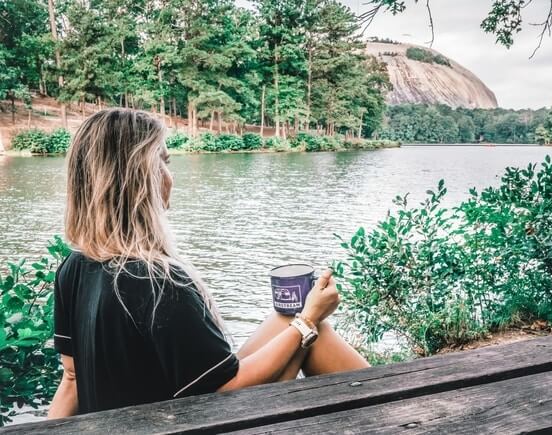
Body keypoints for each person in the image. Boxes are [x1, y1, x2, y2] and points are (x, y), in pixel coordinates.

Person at [47, 109, 369, 418]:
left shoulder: (73, 268)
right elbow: (224, 391)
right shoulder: (159, 283)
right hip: (194, 423)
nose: (170, 176)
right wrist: (309, 319)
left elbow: (72, 381)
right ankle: (392, 410)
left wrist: (299, 323)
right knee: (311, 330)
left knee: (289, 321)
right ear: (140, 178)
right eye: (163, 161)